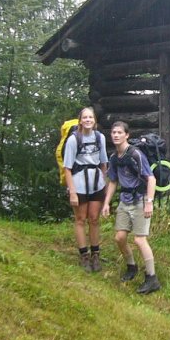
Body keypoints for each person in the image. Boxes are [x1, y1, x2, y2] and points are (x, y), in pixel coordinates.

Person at [102, 121, 161, 294]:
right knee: (119, 238)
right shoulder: (114, 158)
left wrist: (149, 202)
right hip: (124, 201)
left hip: (140, 200)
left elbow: (151, 178)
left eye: (119, 132)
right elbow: (113, 181)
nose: (116, 135)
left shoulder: (136, 154)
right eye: (113, 132)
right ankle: (131, 266)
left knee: (139, 239)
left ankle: (152, 278)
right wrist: (106, 203)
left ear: (127, 135)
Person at [63, 107, 108, 272]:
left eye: (91, 117)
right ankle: (84, 255)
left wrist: (104, 183)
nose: (88, 120)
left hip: (96, 183)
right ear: (80, 120)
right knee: (81, 219)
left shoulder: (100, 137)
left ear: (94, 120)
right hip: (79, 183)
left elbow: (103, 163)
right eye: (85, 117)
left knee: (94, 218)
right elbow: (67, 168)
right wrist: (72, 191)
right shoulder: (74, 140)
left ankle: (95, 254)